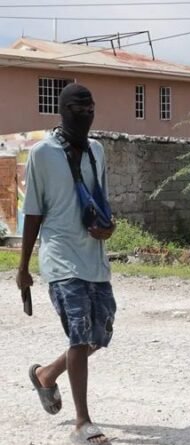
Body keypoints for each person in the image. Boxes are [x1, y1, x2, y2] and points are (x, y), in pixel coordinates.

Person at [17, 83, 116, 445]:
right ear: (62, 111)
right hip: (60, 257)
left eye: (90, 108)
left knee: (100, 334)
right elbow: (33, 212)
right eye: (78, 109)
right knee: (79, 334)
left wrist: (108, 226)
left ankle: (46, 375)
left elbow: (102, 200)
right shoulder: (42, 153)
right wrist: (23, 267)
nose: (86, 114)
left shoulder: (97, 150)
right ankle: (82, 423)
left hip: (94, 256)